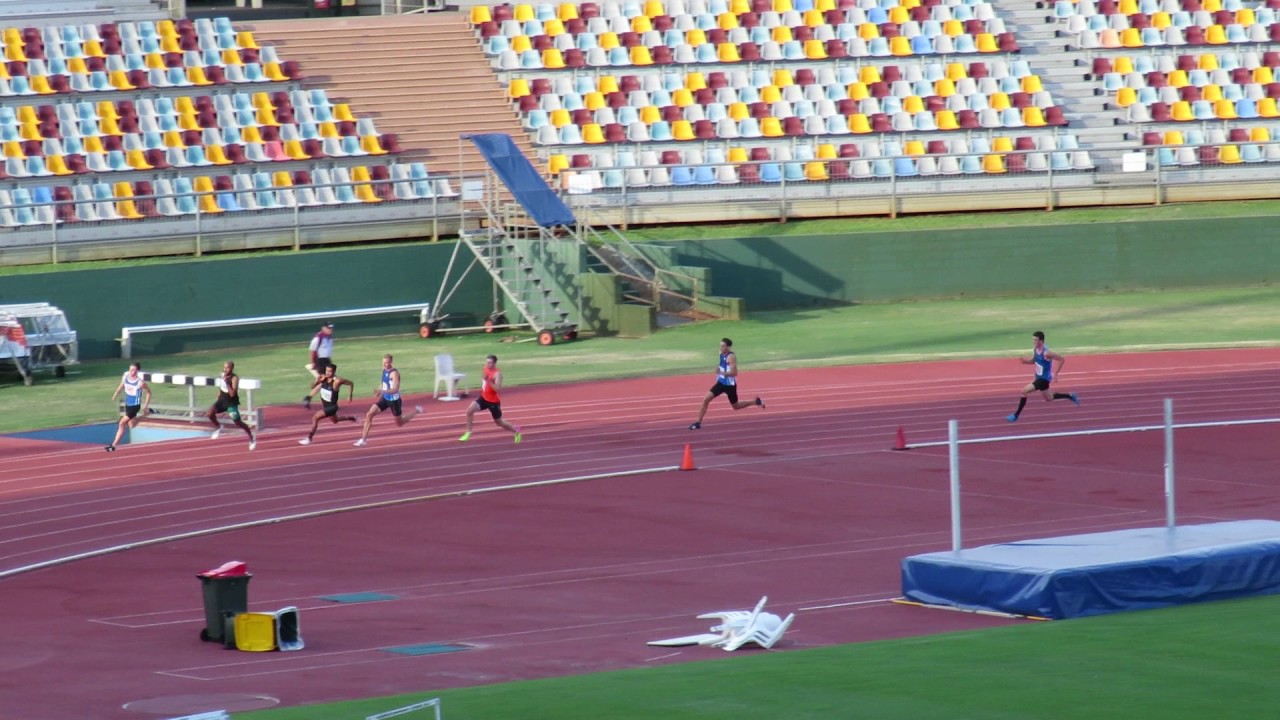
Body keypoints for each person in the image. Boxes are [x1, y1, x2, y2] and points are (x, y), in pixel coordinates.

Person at [689, 338, 765, 430]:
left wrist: (721, 373)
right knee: (706, 399)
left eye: (723, 346)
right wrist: (719, 369)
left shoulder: (731, 357)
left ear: (728, 347)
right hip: (720, 383)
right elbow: (722, 365)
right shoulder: (721, 353)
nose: (721, 347)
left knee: (736, 406)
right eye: (720, 345)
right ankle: (698, 422)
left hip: (729, 386)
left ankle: (755, 402)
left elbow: (734, 373)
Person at [1006, 331, 1081, 422]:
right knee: (1049, 398)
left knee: (1024, 391)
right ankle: (1070, 396)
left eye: (1035, 340)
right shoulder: (1035, 349)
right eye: (1033, 340)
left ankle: (1016, 415)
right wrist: (1025, 362)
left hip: (1043, 379)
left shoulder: (1047, 353)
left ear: (1041, 341)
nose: (1033, 342)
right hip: (1038, 377)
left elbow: (1061, 359)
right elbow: (1034, 360)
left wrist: (1056, 373)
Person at [354, 354, 423, 447]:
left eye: (387, 363)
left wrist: (381, 391)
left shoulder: (394, 373)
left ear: (391, 362)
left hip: (394, 401)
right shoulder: (384, 370)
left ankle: (416, 411)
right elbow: (383, 383)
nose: (385, 364)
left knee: (400, 423)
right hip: (385, 398)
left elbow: (395, 389)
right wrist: (379, 391)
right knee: (369, 414)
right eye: (384, 363)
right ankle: (363, 439)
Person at [459, 354, 521, 443]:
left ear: (494, 363)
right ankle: (468, 432)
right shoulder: (485, 368)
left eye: (490, 363)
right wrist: (484, 380)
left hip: (493, 402)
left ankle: (516, 431)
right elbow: (484, 378)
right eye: (487, 362)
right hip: (483, 398)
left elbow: (498, 389)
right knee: (469, 411)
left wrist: (489, 381)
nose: (488, 364)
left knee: (499, 422)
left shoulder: (497, 374)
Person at [299, 362, 357, 445]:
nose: (327, 373)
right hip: (326, 406)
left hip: (332, 407)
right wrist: (317, 380)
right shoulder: (323, 378)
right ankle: (352, 418)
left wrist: (350, 396)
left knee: (315, 418)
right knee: (335, 421)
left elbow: (351, 383)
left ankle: (309, 438)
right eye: (326, 371)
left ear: (334, 372)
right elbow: (312, 387)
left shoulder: (337, 381)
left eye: (330, 371)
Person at [208, 360, 257, 450]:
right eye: (224, 367)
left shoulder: (235, 378)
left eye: (228, 368)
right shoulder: (222, 375)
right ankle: (218, 427)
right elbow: (220, 385)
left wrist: (227, 383)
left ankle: (251, 437)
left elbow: (232, 394)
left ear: (232, 368)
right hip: (222, 401)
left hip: (231, 403)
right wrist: (219, 393)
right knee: (209, 413)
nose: (225, 369)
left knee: (238, 423)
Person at [105, 362, 151, 452]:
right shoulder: (125, 377)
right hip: (128, 404)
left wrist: (145, 406)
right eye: (130, 369)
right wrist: (115, 394)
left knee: (121, 423)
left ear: (137, 371)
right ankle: (146, 415)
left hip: (134, 405)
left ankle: (113, 446)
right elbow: (121, 386)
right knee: (131, 425)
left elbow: (149, 393)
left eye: (133, 370)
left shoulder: (140, 383)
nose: (131, 371)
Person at [303, 321, 335, 407]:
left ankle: (308, 398)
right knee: (325, 382)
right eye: (328, 328)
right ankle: (328, 402)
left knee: (326, 382)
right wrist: (313, 363)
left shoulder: (330, 338)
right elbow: (312, 351)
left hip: (327, 361)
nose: (330, 330)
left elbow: (328, 352)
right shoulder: (318, 338)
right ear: (323, 328)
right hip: (320, 361)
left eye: (331, 328)